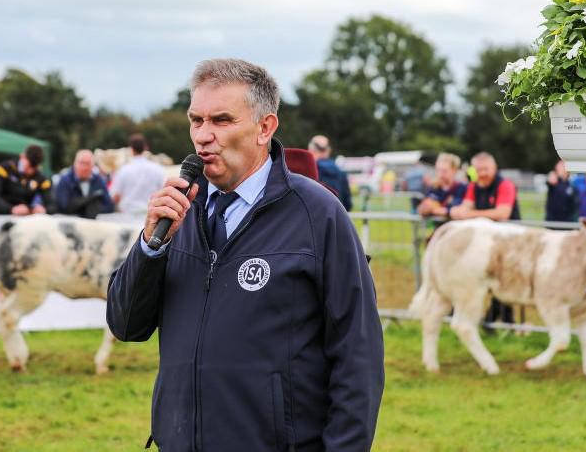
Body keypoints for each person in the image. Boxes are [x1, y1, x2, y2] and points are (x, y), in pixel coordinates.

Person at [106, 58, 384, 451]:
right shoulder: (178, 212)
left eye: (221, 120)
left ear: (265, 128)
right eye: (196, 120)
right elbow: (126, 325)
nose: (203, 136)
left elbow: (358, 355)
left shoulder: (316, 213)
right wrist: (150, 246)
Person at [450, 152, 520, 324]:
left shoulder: (505, 185)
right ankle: (498, 319)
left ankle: (501, 318)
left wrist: (470, 215)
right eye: (479, 169)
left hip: (509, 241)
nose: (482, 173)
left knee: (502, 279)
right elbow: (464, 207)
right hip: (487, 243)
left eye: (486, 169)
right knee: (487, 277)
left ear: (494, 168)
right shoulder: (474, 187)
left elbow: (503, 213)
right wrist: (456, 211)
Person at [0, 144, 54, 215]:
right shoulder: (4, 169)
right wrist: (11, 209)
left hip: (23, 220)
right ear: (22, 156)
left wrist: (44, 210)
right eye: (29, 165)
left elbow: (53, 205)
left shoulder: (41, 178)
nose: (31, 171)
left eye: (34, 167)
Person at [109, 134, 166, 214]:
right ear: (145, 148)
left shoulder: (123, 170)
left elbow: (115, 196)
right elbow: (164, 192)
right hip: (151, 214)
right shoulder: (158, 169)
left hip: (128, 215)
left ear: (131, 149)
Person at [55, 149, 114, 219]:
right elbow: (63, 206)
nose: (84, 167)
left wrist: (93, 210)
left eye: (87, 163)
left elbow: (109, 205)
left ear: (93, 165)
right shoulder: (65, 181)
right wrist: (86, 209)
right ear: (75, 163)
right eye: (81, 163)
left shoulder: (99, 181)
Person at [417, 153, 466, 223]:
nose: (440, 175)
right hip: (439, 229)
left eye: (444, 171)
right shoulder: (434, 187)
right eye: (438, 170)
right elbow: (422, 208)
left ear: (454, 170)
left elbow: (458, 210)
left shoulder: (462, 187)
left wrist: (435, 209)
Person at [308, 134, 353, 211]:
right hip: (337, 219)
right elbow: (347, 204)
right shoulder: (341, 173)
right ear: (328, 150)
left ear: (311, 150)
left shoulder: (307, 172)